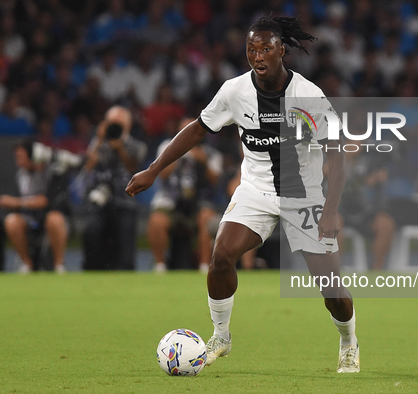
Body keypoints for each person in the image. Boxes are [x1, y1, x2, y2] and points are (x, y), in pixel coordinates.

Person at [126, 16, 359, 373]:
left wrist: (330, 211)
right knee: (221, 256)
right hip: (255, 190)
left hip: (304, 197)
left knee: (330, 289)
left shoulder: (308, 95)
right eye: (252, 48)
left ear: (283, 50)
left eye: (266, 48)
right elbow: (197, 130)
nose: (258, 55)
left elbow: (337, 157)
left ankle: (348, 342)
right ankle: (221, 335)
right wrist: (154, 170)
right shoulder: (235, 91)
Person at [147, 117, 223, 273]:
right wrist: (178, 152)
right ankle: (160, 266)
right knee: (157, 220)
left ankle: (204, 267)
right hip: (171, 199)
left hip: (200, 201)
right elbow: (162, 174)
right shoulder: (166, 147)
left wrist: (203, 160)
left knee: (207, 219)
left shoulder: (211, 152)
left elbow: (215, 181)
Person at [0, 140, 73, 273]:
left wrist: (16, 202)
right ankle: (26, 264)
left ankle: (59, 265)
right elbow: (17, 202)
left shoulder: (52, 172)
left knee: (54, 219)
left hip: (51, 216)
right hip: (29, 218)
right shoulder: (21, 175)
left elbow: (45, 201)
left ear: (33, 156)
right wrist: (4, 202)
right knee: (12, 221)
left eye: (21, 157)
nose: (18, 162)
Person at [82, 106, 147, 270]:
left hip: (125, 199)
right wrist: (98, 139)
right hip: (99, 199)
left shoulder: (136, 145)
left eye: (119, 123)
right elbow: (87, 167)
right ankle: (91, 269)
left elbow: (134, 167)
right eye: (112, 123)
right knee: (92, 230)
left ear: (128, 125)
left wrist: (120, 148)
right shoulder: (98, 143)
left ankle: (125, 270)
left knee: (125, 236)